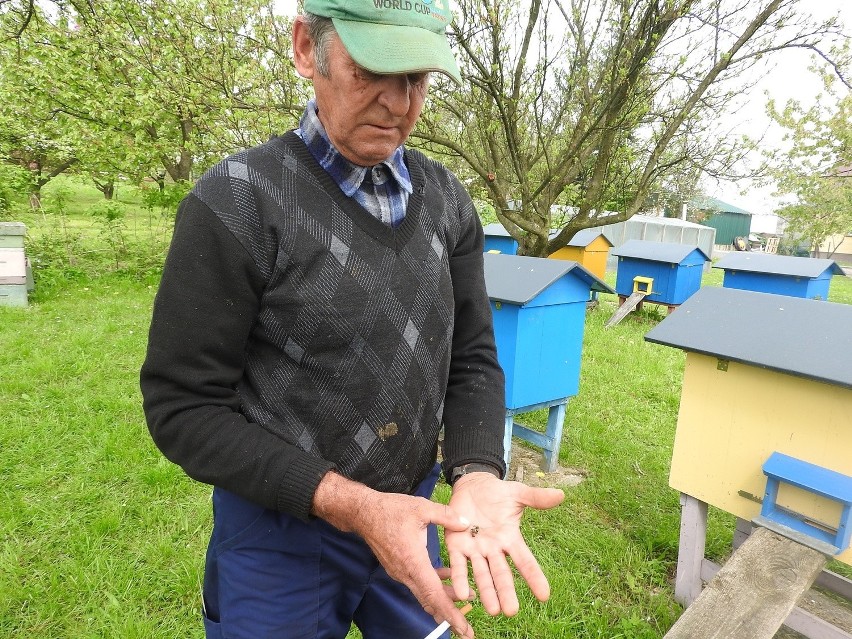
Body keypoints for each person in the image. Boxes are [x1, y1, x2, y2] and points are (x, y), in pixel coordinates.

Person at [139, 0, 565, 637]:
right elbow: (183, 406)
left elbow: (472, 357)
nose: (398, 104)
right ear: (309, 51)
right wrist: (353, 505)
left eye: (416, 79)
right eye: (373, 71)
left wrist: (475, 471)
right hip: (278, 531)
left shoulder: (448, 202)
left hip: (412, 515)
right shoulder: (235, 201)